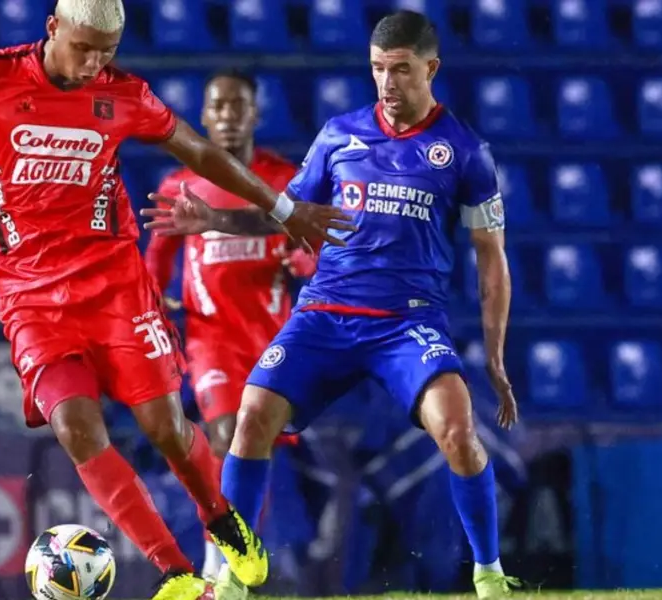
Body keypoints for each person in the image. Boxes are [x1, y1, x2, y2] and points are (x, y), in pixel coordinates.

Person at [0, 1, 354, 598]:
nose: (95, 63)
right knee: (77, 428)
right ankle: (178, 575)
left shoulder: (122, 93)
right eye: (84, 48)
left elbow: (200, 151)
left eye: (108, 51)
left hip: (116, 288)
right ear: (52, 28)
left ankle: (221, 518)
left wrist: (284, 210)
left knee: (167, 427)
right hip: (31, 301)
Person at [144, 10, 519, 599]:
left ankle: (490, 574)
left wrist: (494, 356)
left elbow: (491, 260)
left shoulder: (466, 152)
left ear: (431, 68)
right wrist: (215, 219)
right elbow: (286, 215)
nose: (389, 84)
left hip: (407, 322)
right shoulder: (340, 135)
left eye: (401, 70)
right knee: (250, 418)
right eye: (377, 70)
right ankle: (236, 576)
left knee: (457, 431)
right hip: (325, 314)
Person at [142, 68, 315, 581]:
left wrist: (300, 266)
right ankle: (220, 567)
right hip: (211, 338)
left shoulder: (283, 181)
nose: (228, 116)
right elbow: (156, 257)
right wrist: (153, 301)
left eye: (238, 106)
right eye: (218, 106)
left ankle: (237, 559)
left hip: (274, 340)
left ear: (255, 114)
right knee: (223, 437)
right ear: (204, 115)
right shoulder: (181, 184)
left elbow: (314, 254)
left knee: (250, 450)